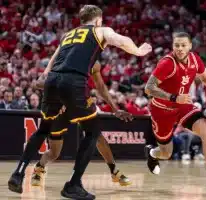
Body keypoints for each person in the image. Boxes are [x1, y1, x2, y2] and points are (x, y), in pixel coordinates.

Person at [8, 5, 152, 200]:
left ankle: (18, 174)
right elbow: (119, 40)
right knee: (92, 132)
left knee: (43, 129)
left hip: (52, 81)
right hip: (73, 83)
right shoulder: (100, 30)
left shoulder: (68, 35)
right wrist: (138, 51)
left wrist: (44, 75)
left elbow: (54, 58)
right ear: (98, 19)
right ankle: (73, 184)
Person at [144, 32, 206, 196]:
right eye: (176, 45)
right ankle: (151, 153)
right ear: (173, 46)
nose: (180, 48)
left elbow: (204, 76)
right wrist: (173, 97)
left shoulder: (195, 59)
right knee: (166, 153)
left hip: (183, 106)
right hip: (162, 110)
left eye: (183, 45)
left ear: (190, 46)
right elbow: (148, 88)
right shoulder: (166, 63)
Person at [31, 68, 131, 188]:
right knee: (54, 153)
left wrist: (115, 109)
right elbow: (38, 83)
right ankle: (39, 167)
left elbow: (100, 86)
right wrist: (61, 94)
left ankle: (114, 170)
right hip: (60, 107)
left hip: (80, 102)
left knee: (97, 135)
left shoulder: (93, 60)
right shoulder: (62, 58)